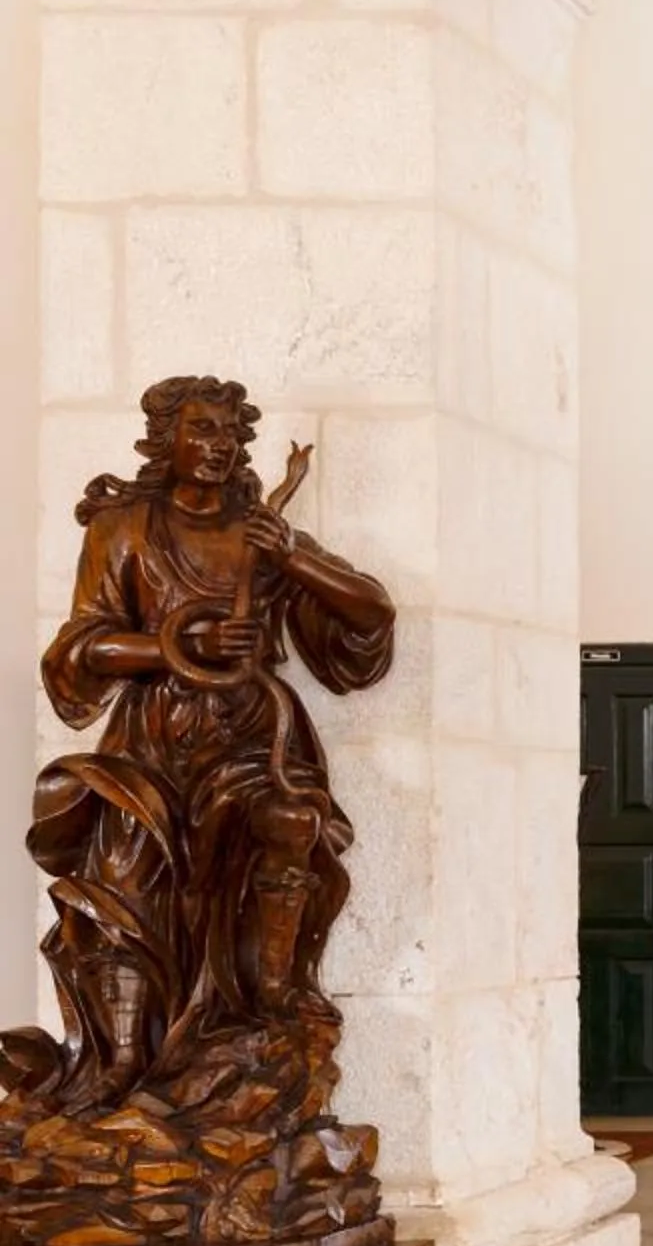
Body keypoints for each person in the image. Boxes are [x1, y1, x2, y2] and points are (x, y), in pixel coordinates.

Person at [5, 377, 396, 1108]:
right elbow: (82, 646)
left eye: (228, 433)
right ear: (165, 442)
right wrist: (177, 642)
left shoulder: (261, 532)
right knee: (121, 873)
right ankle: (122, 1059)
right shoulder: (123, 529)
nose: (217, 446)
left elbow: (371, 613)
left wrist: (293, 560)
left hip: (250, 735)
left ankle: (271, 1003)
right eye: (200, 430)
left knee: (289, 821)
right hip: (152, 741)